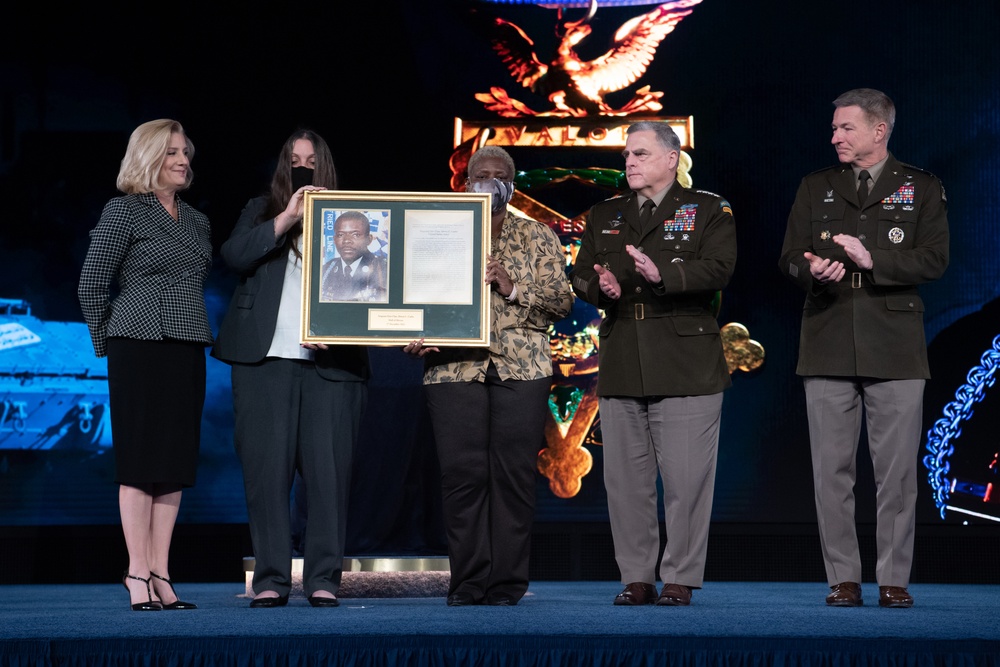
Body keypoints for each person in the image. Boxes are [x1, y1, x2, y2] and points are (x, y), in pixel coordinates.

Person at [778, 88, 949, 608]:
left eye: (846, 128)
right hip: (828, 337)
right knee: (831, 472)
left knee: (896, 473)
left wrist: (872, 259)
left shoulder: (920, 186)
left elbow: (934, 261)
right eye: (834, 128)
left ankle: (893, 579)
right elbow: (787, 256)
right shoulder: (816, 186)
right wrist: (812, 270)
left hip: (894, 346)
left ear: (879, 130)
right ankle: (843, 579)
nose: (835, 137)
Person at [570, 121, 736, 606]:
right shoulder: (605, 213)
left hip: (685, 356)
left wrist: (663, 273)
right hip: (623, 354)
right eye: (627, 155)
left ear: (671, 158)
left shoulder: (708, 208)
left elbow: (719, 268)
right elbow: (582, 273)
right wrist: (600, 287)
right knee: (626, 481)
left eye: (640, 154)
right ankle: (637, 577)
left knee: (685, 481)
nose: (630, 162)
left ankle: (680, 577)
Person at [404, 145, 573, 606]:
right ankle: (468, 582)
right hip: (453, 367)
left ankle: (506, 584)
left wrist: (512, 286)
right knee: (462, 476)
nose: (490, 180)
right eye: (482, 173)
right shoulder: (436, 231)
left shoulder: (538, 235)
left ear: (512, 186)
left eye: (500, 175)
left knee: (513, 475)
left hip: (523, 366)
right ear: (466, 181)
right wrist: (410, 331)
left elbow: (562, 301)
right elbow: (409, 294)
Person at [211, 129, 370, 608]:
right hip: (265, 363)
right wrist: (287, 217)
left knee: (328, 477)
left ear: (327, 168)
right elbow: (234, 255)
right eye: (295, 160)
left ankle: (324, 578)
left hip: (332, 366)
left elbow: (379, 289)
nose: (304, 168)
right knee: (266, 475)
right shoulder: (261, 210)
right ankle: (271, 580)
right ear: (284, 167)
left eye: (313, 160)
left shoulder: (353, 221)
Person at [78, 119, 211, 611]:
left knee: (172, 465)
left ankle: (161, 572)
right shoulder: (123, 211)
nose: (182, 161)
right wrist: (107, 344)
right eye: (172, 152)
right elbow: (91, 285)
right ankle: (136, 571)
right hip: (136, 345)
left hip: (186, 345)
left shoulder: (197, 220)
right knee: (139, 464)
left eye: (185, 153)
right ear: (148, 157)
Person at [320, 210, 388, 302]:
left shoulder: (383, 269)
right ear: (334, 240)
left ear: (369, 239)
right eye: (340, 235)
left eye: (355, 235)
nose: (346, 240)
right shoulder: (326, 270)